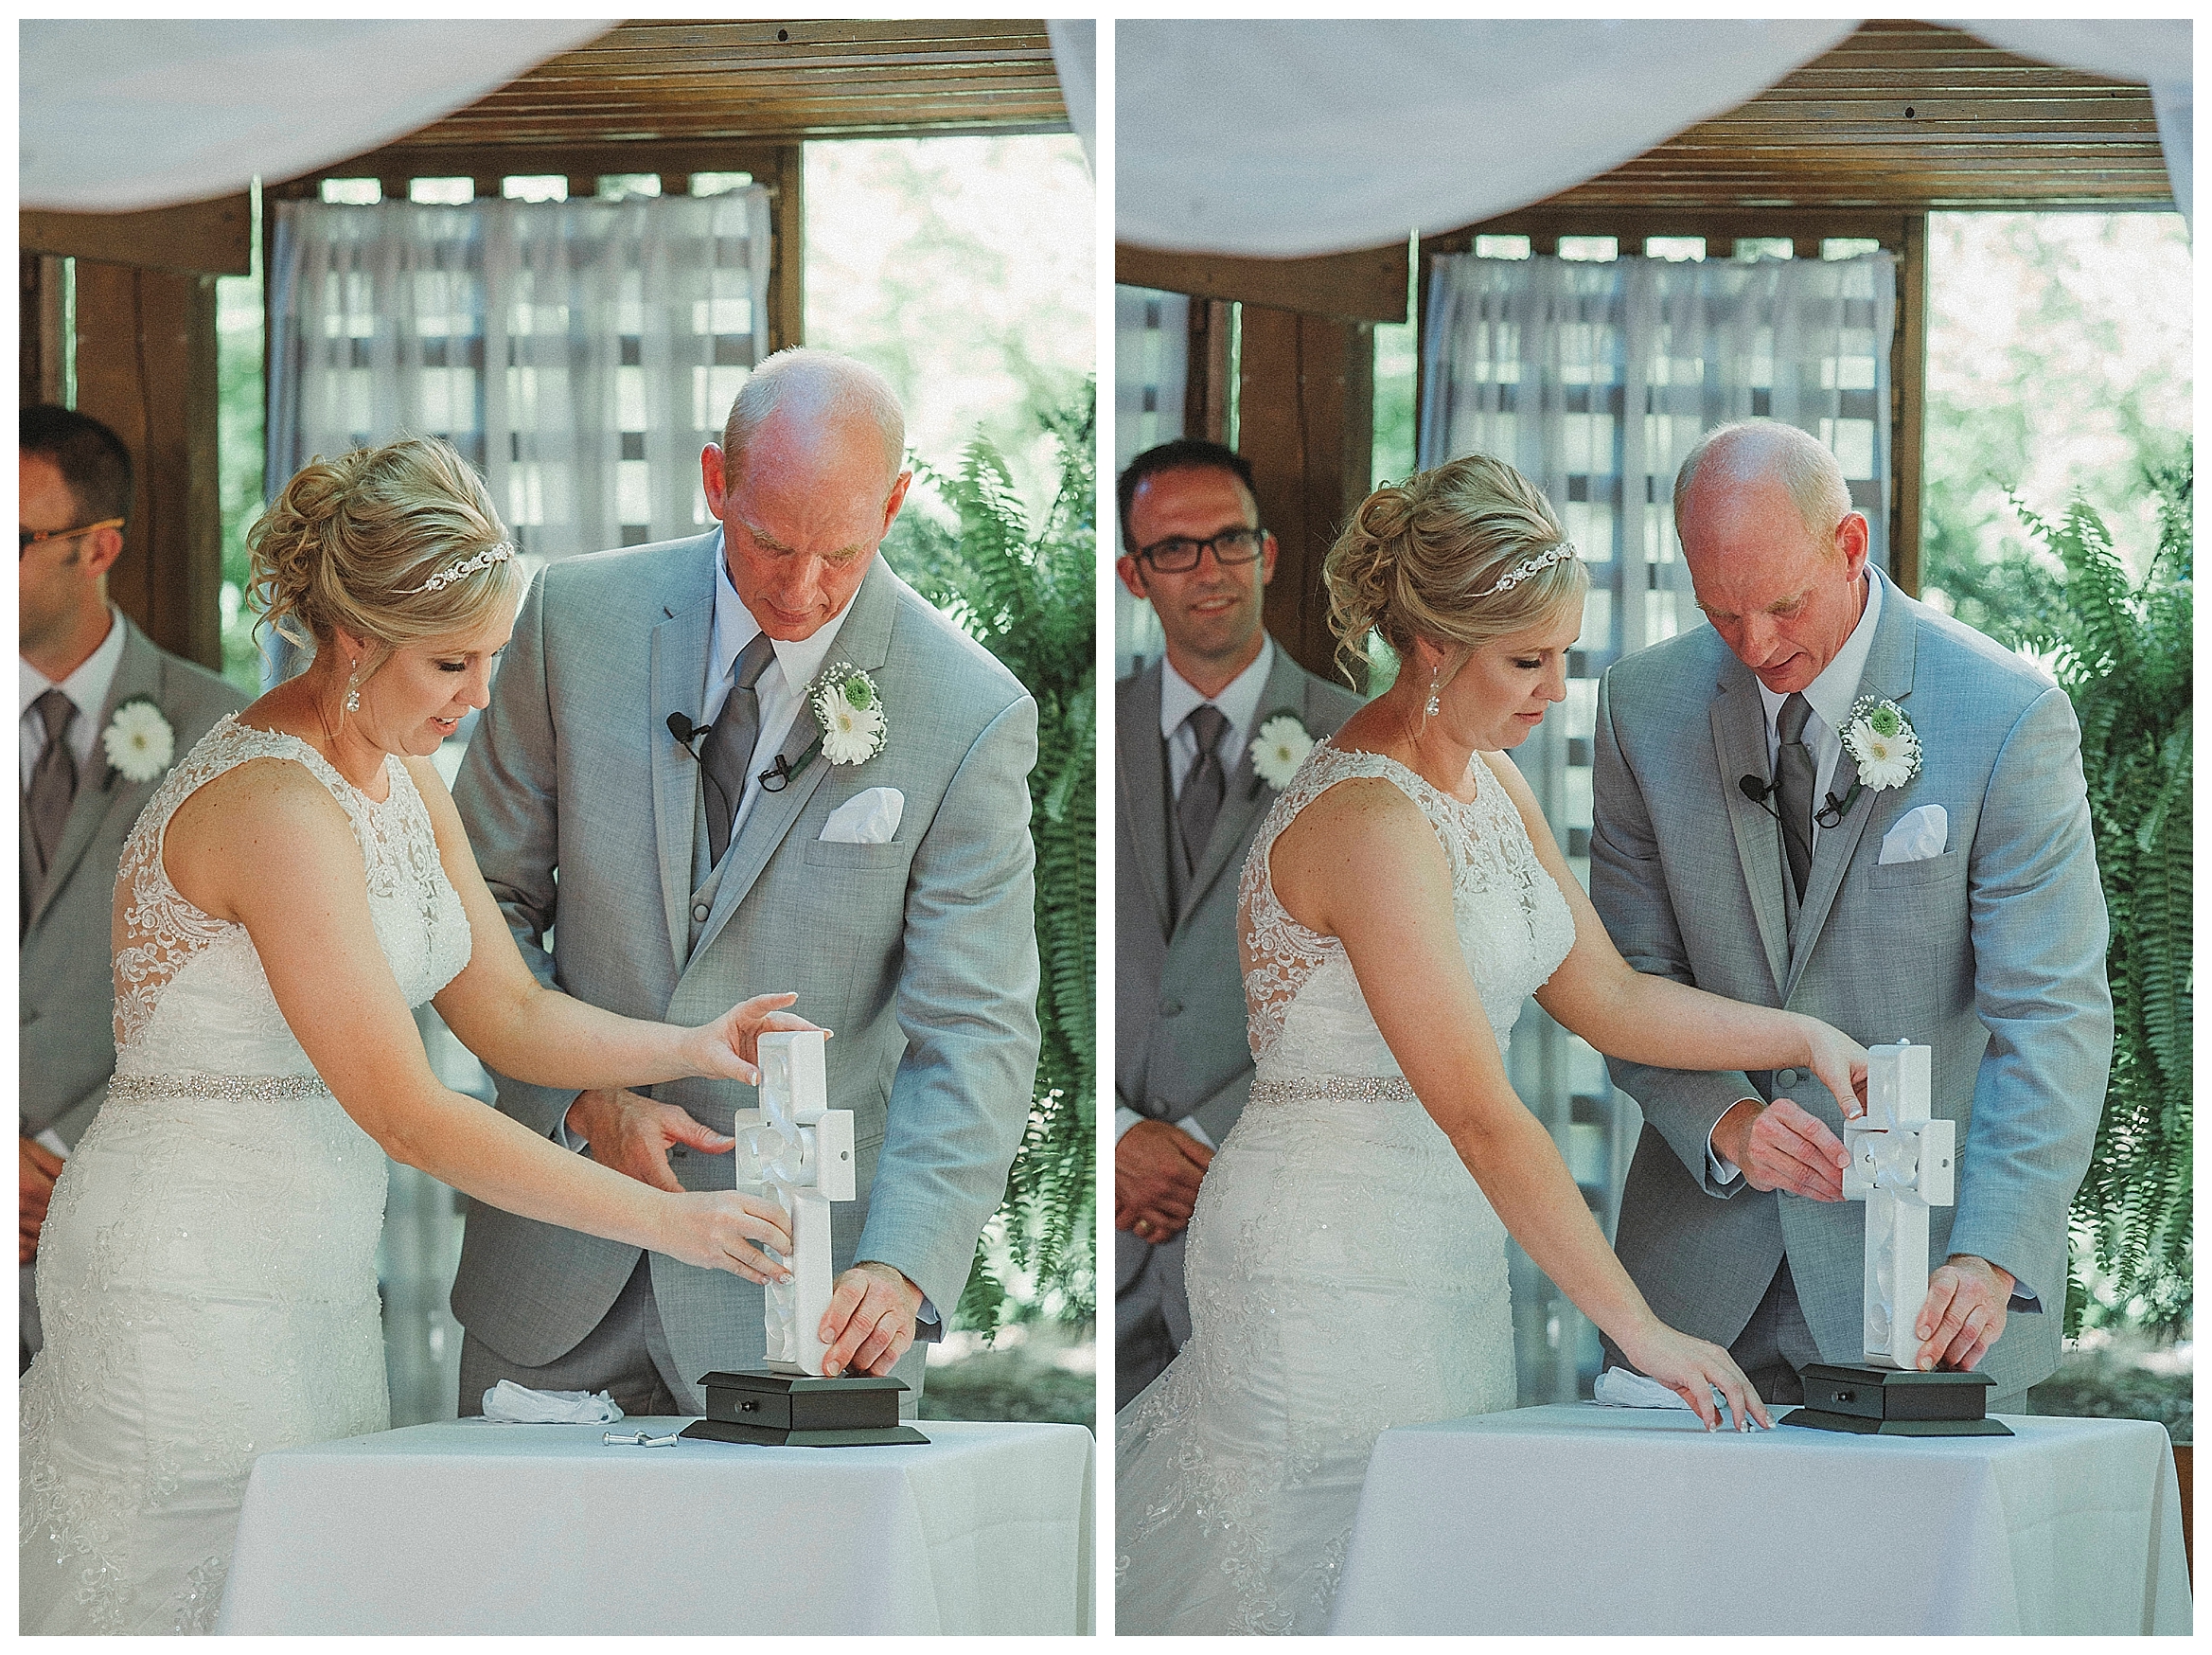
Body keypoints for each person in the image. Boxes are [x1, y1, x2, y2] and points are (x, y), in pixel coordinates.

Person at [21, 436, 814, 1635]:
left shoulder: (405, 781)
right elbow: (409, 1112)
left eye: (491, 657)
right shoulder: (275, 807)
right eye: (452, 661)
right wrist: (677, 1223)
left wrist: (693, 1044)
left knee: (297, 1579)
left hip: (314, 1268)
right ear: (354, 637)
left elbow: (510, 1011)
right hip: (186, 1273)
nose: (479, 696)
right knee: (186, 1583)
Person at [1116, 453, 1870, 1636]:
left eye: (1563, 655)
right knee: (1323, 1568)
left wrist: (1805, 1033)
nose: (1558, 690)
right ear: (1432, 646)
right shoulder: (1366, 817)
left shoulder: (1488, 781)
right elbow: (1480, 1112)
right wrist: (1644, 1329)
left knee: (1429, 1564)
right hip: (1325, 1260)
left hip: (1446, 1248)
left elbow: (1609, 994)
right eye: (1528, 661)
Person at [449, 347, 1040, 1417]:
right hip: (553, 1260)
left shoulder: (971, 712)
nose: (802, 589)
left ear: (894, 505)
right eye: (771, 542)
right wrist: (580, 1100)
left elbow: (977, 1028)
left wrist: (903, 1262)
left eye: (841, 553)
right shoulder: (570, 620)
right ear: (716, 481)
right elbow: (477, 901)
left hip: (805, 1305)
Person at [1590, 419, 2111, 1414]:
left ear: (1850, 545)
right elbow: (1622, 982)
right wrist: (1727, 1122)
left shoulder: (2006, 715)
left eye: (1782, 605)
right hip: (1694, 1300)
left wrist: (1991, 1250)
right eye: (1720, 613)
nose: (1756, 645)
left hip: (1930, 1296)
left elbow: (2053, 1017)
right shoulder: (1638, 709)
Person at [1113, 439, 1360, 1409]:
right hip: (1113, 1237)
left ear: (1269, 553)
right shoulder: (1079, 734)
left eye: (1230, 540)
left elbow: (1375, 997)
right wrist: (1119, 1136)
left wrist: (1207, 1139)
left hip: (1281, 1226)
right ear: (1134, 574)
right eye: (1175, 549)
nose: (1208, 568)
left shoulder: (1358, 743)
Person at [19, 407, 248, 1373]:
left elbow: (243, 992)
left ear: (98, 547)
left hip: (135, 1244)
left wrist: (76, 1149)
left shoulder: (221, 733)